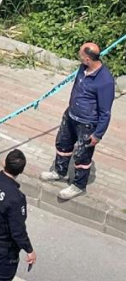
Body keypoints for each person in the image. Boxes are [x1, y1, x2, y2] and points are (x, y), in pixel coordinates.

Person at [40, 42, 115, 200]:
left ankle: (78, 185)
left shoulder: (105, 81)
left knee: (82, 155)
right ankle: (59, 172)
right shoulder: (83, 68)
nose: (79, 57)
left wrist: (98, 134)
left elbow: (105, 112)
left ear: (88, 59)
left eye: (81, 55)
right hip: (71, 115)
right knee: (63, 144)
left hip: (87, 124)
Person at [0, 149, 36, 281]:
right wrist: (29, 250)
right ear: (21, 171)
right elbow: (17, 231)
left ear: (4, 163)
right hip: (4, 244)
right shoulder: (16, 198)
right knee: (3, 273)